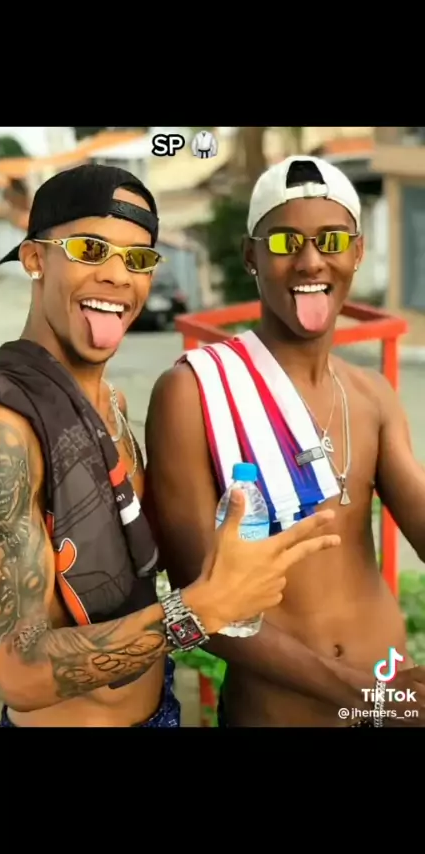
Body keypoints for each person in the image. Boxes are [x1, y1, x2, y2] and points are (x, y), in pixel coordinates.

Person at [0, 163, 341, 729]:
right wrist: (202, 609)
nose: (116, 276)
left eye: (137, 259)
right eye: (90, 250)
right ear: (34, 258)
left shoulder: (112, 404)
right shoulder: (1, 434)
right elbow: (20, 670)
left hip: (159, 710)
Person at [144, 154, 425, 728]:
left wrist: (385, 702)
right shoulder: (194, 391)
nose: (310, 260)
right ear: (250, 255)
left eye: (332, 240)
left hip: (393, 694)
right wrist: (367, 698)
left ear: (358, 251)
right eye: (284, 243)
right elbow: (203, 604)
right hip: (288, 714)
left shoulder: (371, 394)